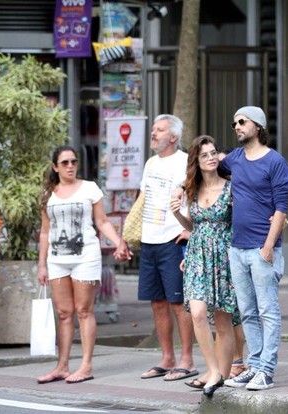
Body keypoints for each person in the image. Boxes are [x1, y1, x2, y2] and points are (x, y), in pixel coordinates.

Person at [36, 145, 132, 385]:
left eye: (74, 162)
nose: (70, 166)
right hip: (57, 260)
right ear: (55, 166)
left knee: (84, 310)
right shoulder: (48, 194)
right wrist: (42, 265)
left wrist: (119, 242)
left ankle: (86, 365)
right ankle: (62, 366)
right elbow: (45, 233)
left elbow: (102, 221)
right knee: (63, 313)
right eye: (65, 162)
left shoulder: (89, 188)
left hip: (85, 257)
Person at [220, 106, 288, 391]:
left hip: (262, 248)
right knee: (247, 311)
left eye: (242, 121)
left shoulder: (276, 162)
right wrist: (179, 187)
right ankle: (255, 365)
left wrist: (269, 246)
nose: (236, 126)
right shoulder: (234, 159)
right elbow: (208, 170)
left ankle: (267, 371)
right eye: (234, 122)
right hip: (237, 248)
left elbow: (281, 208)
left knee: (268, 311)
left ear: (258, 126)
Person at [170, 135, 237, 397]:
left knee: (223, 321)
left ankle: (221, 374)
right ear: (196, 161)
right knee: (197, 313)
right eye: (204, 155)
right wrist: (177, 212)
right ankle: (213, 370)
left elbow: (238, 223)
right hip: (197, 253)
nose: (210, 158)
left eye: (212, 153)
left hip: (224, 256)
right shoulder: (192, 189)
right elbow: (193, 227)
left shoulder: (232, 187)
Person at [138, 114, 197, 382]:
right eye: (153, 129)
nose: (154, 133)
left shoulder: (185, 161)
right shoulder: (150, 163)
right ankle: (167, 358)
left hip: (173, 239)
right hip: (149, 239)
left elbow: (196, 195)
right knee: (157, 303)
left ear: (173, 136)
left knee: (177, 302)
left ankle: (187, 359)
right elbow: (143, 197)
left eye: (160, 130)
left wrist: (190, 228)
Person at [217, 147, 248, 380]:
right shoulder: (210, 188)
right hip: (214, 253)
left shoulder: (236, 189)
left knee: (235, 310)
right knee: (221, 312)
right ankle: (226, 362)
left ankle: (238, 360)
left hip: (236, 248)